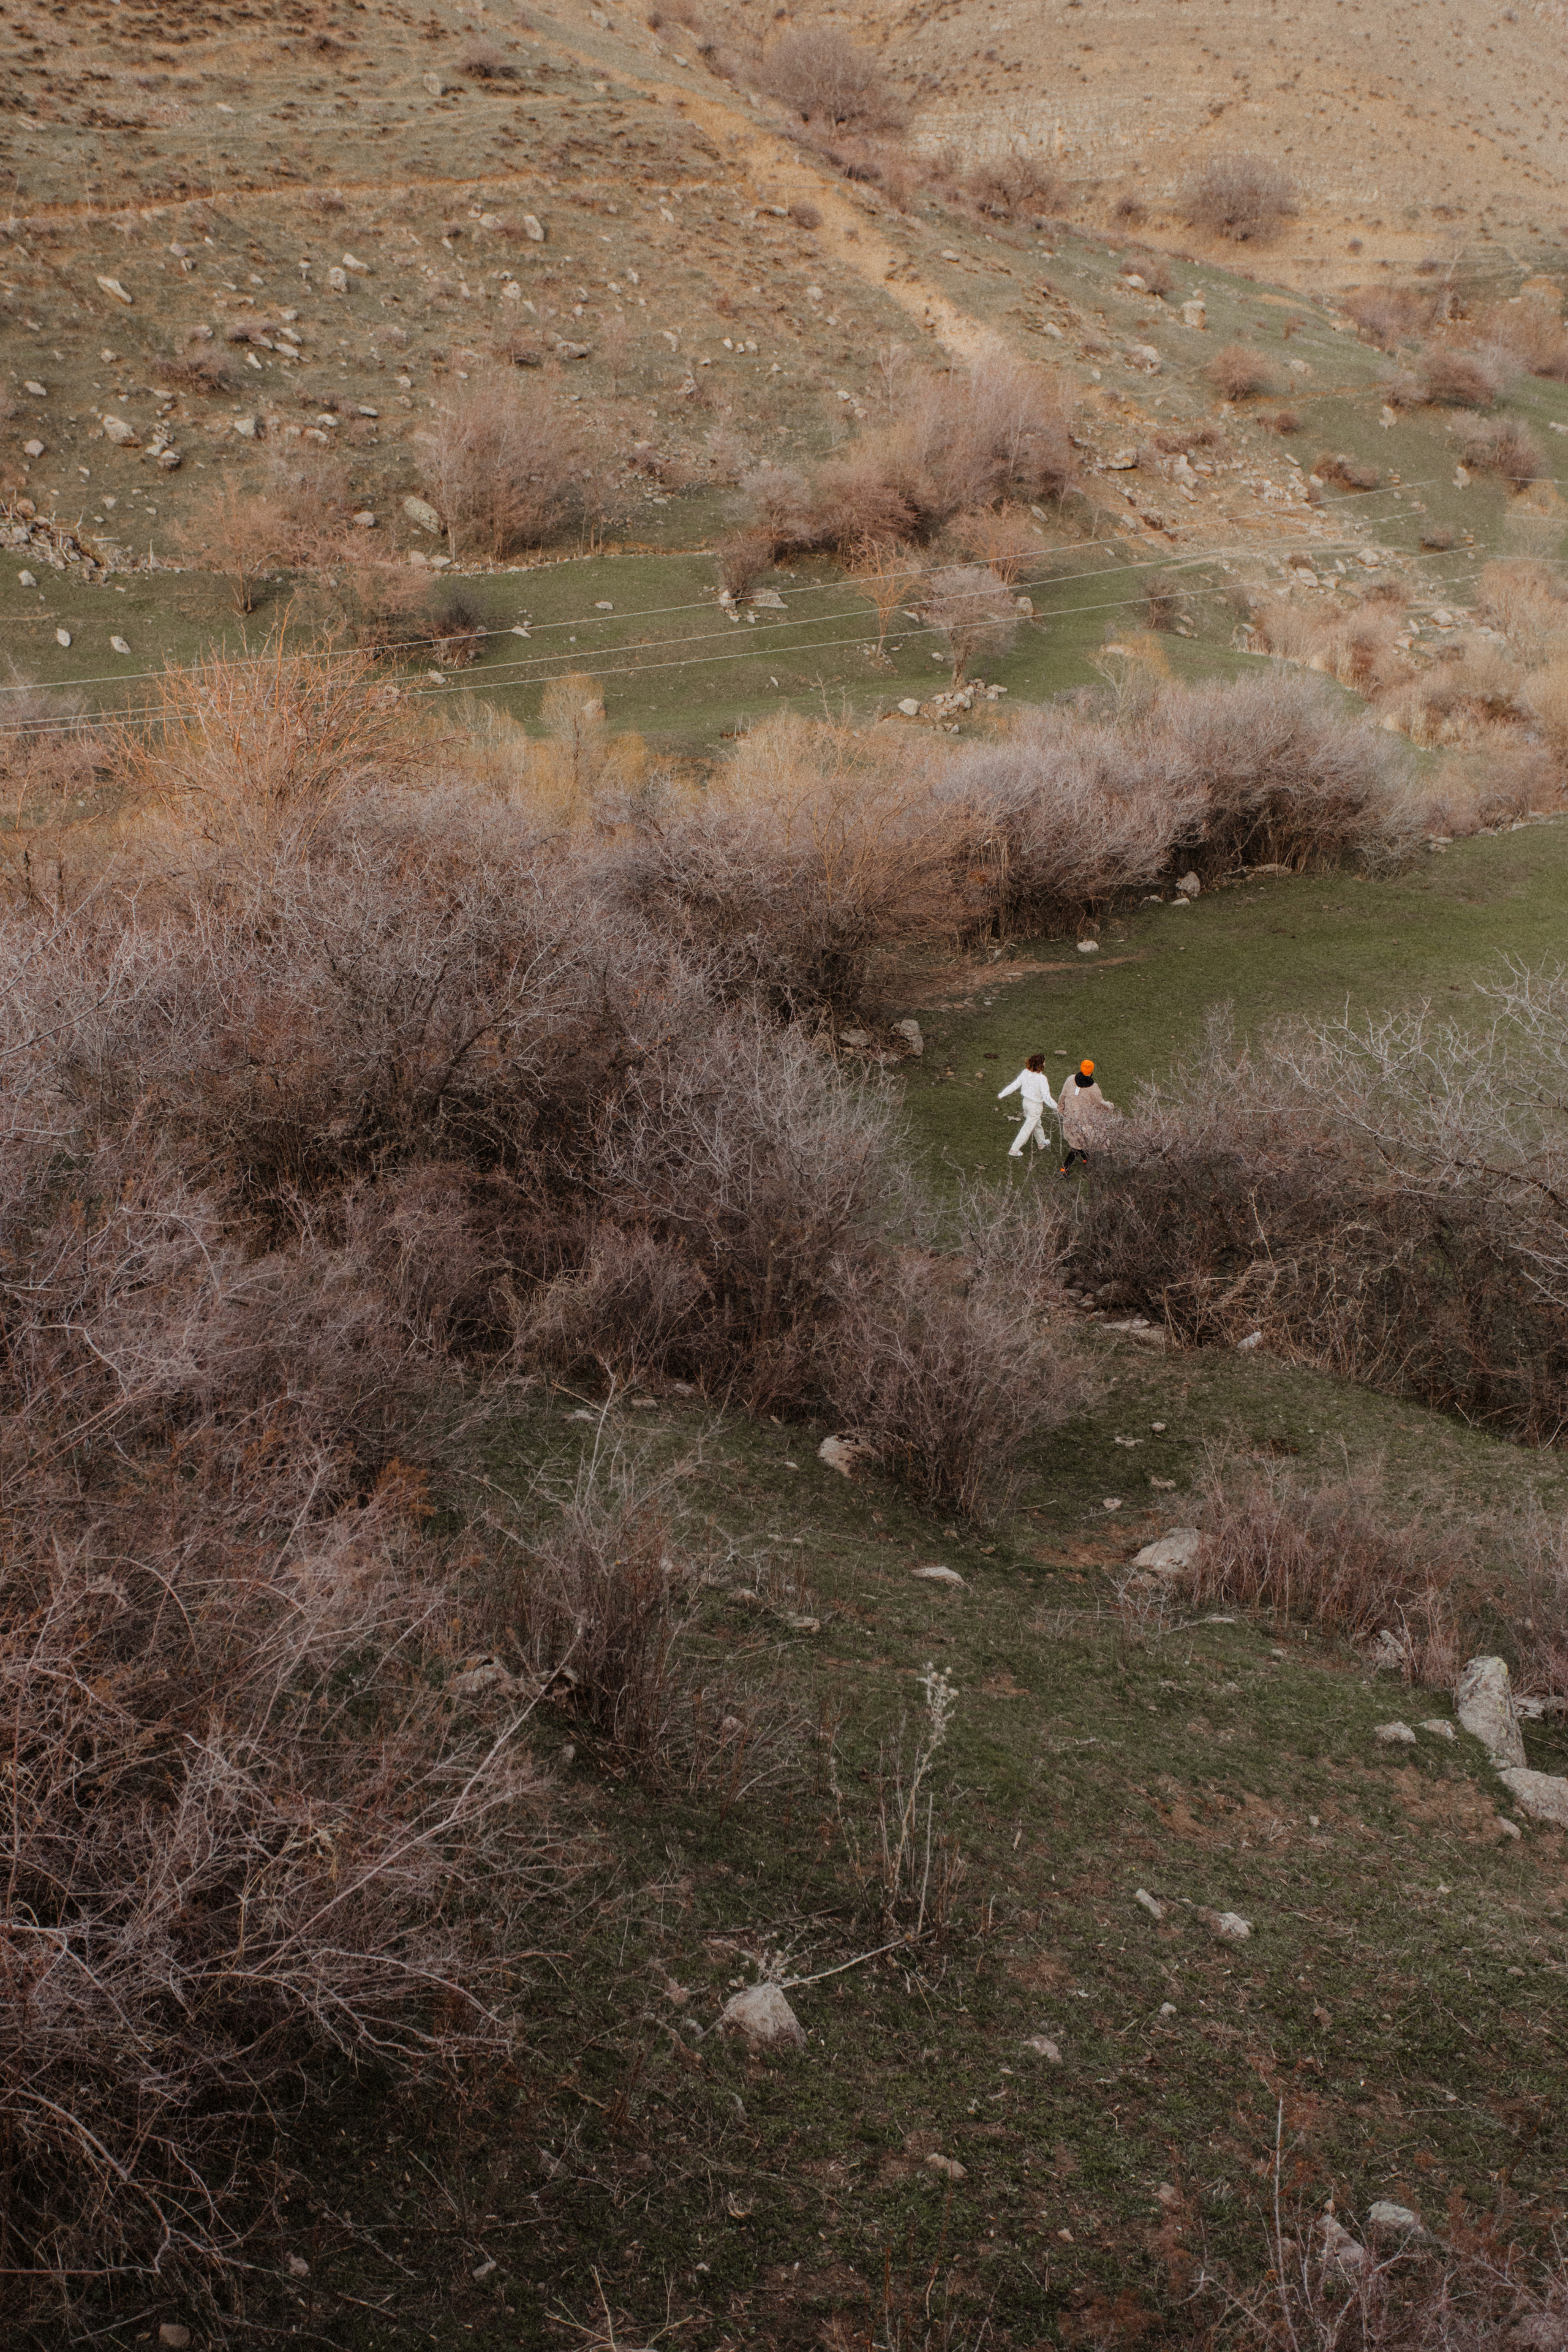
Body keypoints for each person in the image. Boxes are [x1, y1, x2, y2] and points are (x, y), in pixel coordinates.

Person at [1058, 1058, 1115, 1175]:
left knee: (1079, 1144)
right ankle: (1065, 1168)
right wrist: (1110, 1106)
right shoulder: (1093, 1088)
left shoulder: (1070, 1079)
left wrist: (1061, 1108)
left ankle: (1086, 1159)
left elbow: (1063, 1096)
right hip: (1084, 1123)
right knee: (1077, 1146)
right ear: (1091, 1071)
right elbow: (1100, 1104)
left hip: (1070, 1119)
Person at [998, 1052, 1056, 1159]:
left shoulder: (1025, 1072)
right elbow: (1047, 1097)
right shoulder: (1042, 1079)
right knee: (1027, 1128)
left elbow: (1015, 1085)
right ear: (1041, 1065)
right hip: (1036, 1106)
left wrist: (1002, 1094)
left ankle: (1041, 1142)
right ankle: (1014, 1149)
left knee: (1036, 1122)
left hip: (1026, 1103)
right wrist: (1057, 1107)